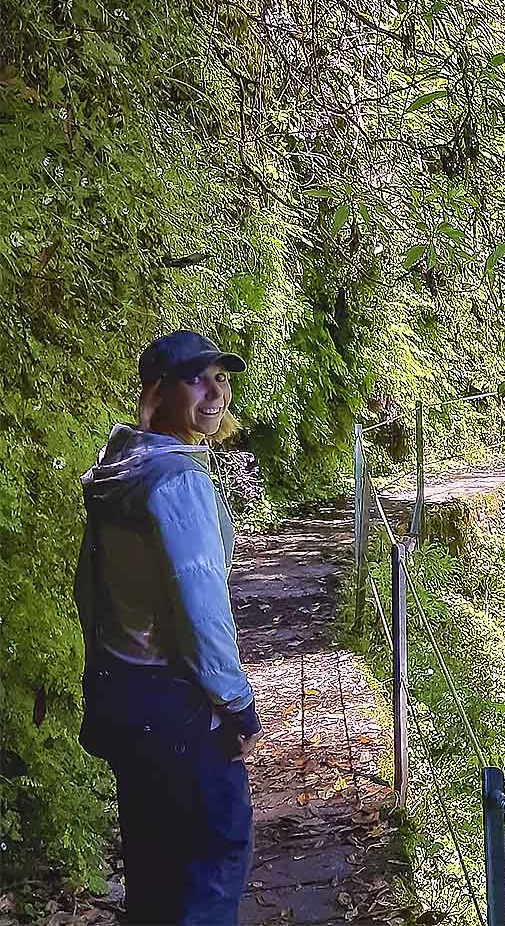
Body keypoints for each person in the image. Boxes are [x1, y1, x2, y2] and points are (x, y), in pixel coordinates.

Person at [74, 330, 259, 924]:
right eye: (195, 378)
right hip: (178, 709)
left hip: (125, 695)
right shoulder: (179, 481)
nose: (214, 391)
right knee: (215, 858)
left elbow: (88, 589)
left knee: (152, 876)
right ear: (157, 391)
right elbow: (202, 609)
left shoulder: (115, 472)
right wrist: (236, 706)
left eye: (222, 378)